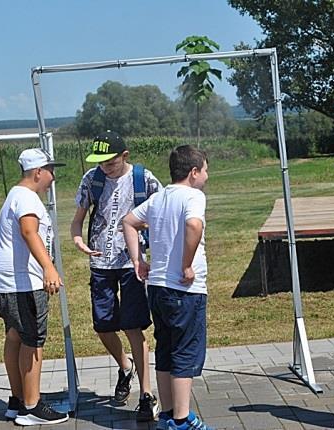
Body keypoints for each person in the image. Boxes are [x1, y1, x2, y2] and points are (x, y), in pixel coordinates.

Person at [70, 130, 162, 421]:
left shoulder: (144, 179)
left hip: (131, 263)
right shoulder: (92, 179)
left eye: (109, 162)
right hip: (100, 263)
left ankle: (147, 395)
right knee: (103, 325)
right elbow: (78, 219)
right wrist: (77, 238)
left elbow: (161, 217)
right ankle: (126, 366)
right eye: (100, 163)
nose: (105, 168)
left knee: (134, 326)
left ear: (125, 156)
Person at [122, 145, 214, 430]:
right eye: (206, 170)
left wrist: (139, 261)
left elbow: (128, 221)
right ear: (194, 171)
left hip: (158, 287)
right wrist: (187, 264)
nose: (207, 176)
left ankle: (167, 414)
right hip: (185, 289)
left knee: (165, 349)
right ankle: (182, 419)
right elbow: (194, 226)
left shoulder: (158, 197)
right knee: (186, 351)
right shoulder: (194, 196)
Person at [0, 148, 69, 426]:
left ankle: (18, 400)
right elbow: (28, 231)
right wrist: (48, 267)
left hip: (4, 285)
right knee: (33, 341)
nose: (53, 177)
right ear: (37, 172)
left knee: (15, 337)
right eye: (50, 171)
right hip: (22, 285)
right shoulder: (26, 198)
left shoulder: (15, 195)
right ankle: (32, 407)